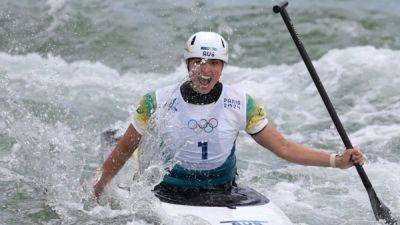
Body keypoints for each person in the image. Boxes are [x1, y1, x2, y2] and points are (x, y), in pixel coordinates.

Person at [94, 31, 364, 198]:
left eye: (214, 63)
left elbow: (283, 147)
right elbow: (125, 148)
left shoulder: (241, 103)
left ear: (222, 67)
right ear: (187, 63)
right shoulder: (157, 101)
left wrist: (335, 160)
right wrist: (100, 187)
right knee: (137, 150)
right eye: (199, 61)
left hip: (223, 190)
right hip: (167, 190)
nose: (206, 70)